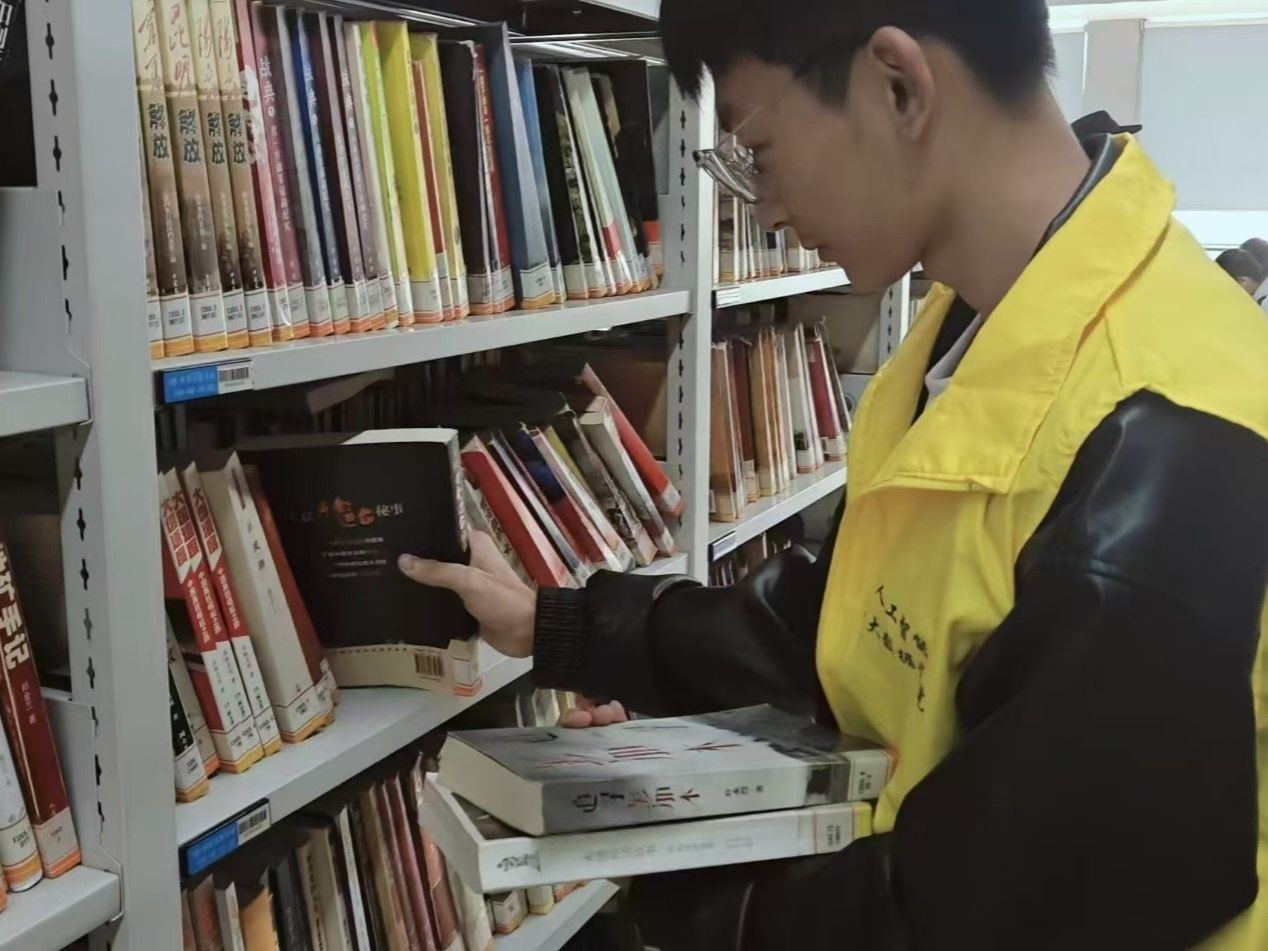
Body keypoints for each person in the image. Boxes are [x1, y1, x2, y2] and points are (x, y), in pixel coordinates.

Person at [401, 2, 1268, 948]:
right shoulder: (971, 325)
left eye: (760, 151)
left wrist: (671, 868)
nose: (764, 209)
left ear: (898, 87)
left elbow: (1005, 906)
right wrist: (559, 626)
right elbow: (852, 627)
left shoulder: (1170, 431)